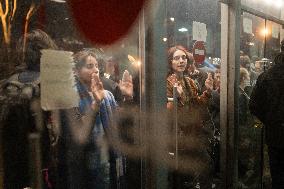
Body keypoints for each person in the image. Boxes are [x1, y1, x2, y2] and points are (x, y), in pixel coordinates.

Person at [57, 49, 133, 189]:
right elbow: (78, 134)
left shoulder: (107, 94)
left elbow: (119, 122)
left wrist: (127, 98)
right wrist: (96, 104)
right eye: (89, 66)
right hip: (83, 161)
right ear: (76, 70)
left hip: (106, 157)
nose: (96, 70)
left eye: (97, 65)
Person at [0, 29, 58, 189]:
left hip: (11, 174)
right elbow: (54, 135)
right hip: (40, 173)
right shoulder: (48, 86)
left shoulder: (6, 85)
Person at [166, 45, 214, 188]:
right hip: (177, 136)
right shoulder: (167, 82)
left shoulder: (190, 81)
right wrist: (176, 96)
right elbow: (167, 114)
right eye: (176, 58)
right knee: (180, 176)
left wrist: (208, 92)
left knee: (205, 165)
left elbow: (197, 106)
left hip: (192, 133)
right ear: (170, 62)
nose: (181, 61)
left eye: (183, 57)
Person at [249, 40, 284, 189]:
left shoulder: (266, 76)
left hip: (275, 136)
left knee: (278, 177)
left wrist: (271, 120)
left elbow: (254, 105)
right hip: (275, 134)